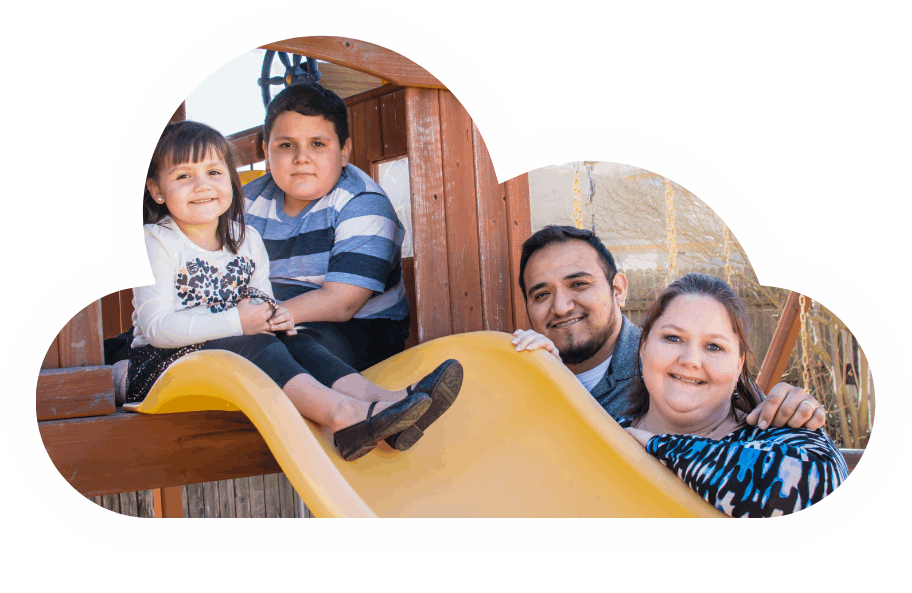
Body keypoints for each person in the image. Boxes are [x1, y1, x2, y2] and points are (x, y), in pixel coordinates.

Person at [130, 120, 462, 461]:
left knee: (296, 338)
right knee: (255, 342)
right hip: (162, 367)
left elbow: (261, 301)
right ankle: (343, 417)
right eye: (183, 176)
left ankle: (384, 405)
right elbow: (157, 328)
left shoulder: (247, 239)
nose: (202, 186)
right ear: (157, 190)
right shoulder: (156, 241)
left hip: (227, 352)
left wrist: (276, 317)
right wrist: (240, 322)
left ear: (231, 180)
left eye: (214, 172)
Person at [512, 225, 827, 431]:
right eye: (541, 294)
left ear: (618, 290)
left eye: (579, 284)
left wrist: (797, 412)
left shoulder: (670, 369)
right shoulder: (522, 376)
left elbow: (764, 426)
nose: (562, 306)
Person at [615, 273, 848, 516]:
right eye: (673, 338)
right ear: (643, 347)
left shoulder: (778, 436)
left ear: (739, 364)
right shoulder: (603, 429)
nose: (691, 360)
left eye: (714, 346)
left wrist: (659, 447)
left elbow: (820, 485)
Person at [242, 83, 409, 374]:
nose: (301, 157)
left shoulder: (362, 203)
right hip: (266, 317)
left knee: (290, 349)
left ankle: (359, 411)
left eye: (318, 144)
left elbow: (341, 303)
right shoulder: (244, 203)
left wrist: (261, 321)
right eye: (286, 145)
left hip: (359, 327)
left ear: (344, 151)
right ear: (265, 152)